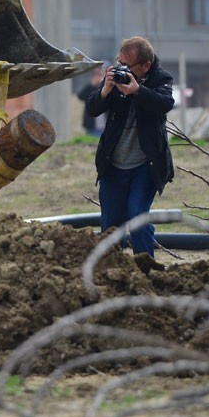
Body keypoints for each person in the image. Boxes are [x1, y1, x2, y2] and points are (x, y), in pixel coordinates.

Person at [87, 36, 174, 256]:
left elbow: (164, 104)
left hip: (145, 165)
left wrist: (137, 91)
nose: (122, 69)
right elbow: (93, 108)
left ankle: (146, 272)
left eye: (128, 65)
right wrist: (105, 90)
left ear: (146, 65)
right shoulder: (117, 78)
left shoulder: (160, 79)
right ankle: (113, 277)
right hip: (113, 165)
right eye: (120, 62)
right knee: (111, 227)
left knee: (138, 218)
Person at [78, 66, 106, 136]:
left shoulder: (107, 87)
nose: (98, 77)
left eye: (100, 74)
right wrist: (91, 85)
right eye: (95, 75)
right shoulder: (90, 88)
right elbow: (81, 96)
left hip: (105, 126)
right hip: (91, 126)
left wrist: (104, 84)